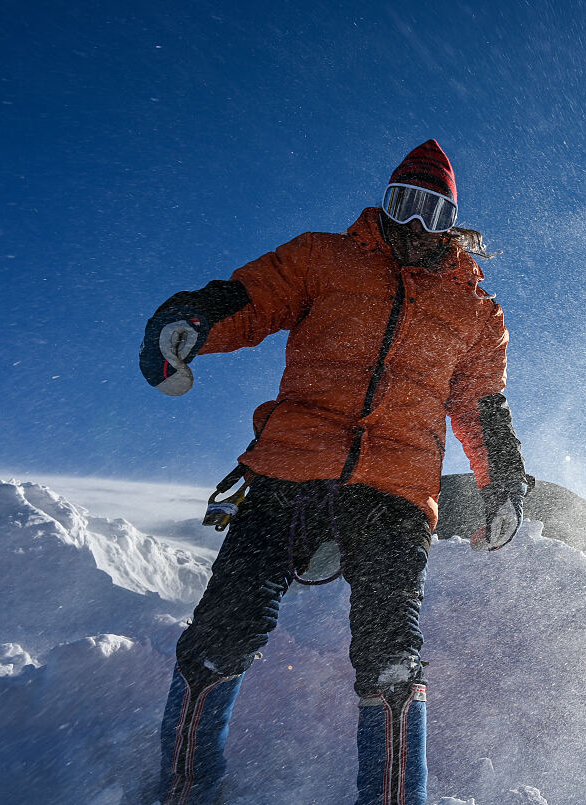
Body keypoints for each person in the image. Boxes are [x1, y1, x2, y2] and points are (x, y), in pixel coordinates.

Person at [138, 140, 531, 805]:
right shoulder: (324, 258)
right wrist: (190, 321)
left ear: (452, 222)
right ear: (384, 202)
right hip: (288, 470)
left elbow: (482, 406)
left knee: (390, 655)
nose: (414, 224)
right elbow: (249, 297)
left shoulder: (474, 311)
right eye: (403, 203)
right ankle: (186, 787)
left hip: (396, 493)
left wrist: (502, 483)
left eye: (431, 211)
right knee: (222, 630)